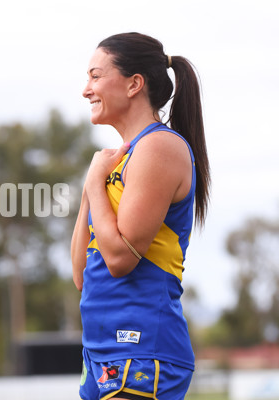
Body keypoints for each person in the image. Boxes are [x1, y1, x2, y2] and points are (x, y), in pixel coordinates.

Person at [70, 32, 210, 400]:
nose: (86, 90)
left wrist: (95, 183)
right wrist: (92, 185)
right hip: (101, 353)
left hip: (142, 353)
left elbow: (119, 260)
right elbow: (80, 273)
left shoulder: (159, 147)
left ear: (134, 84)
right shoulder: (118, 160)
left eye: (96, 76)